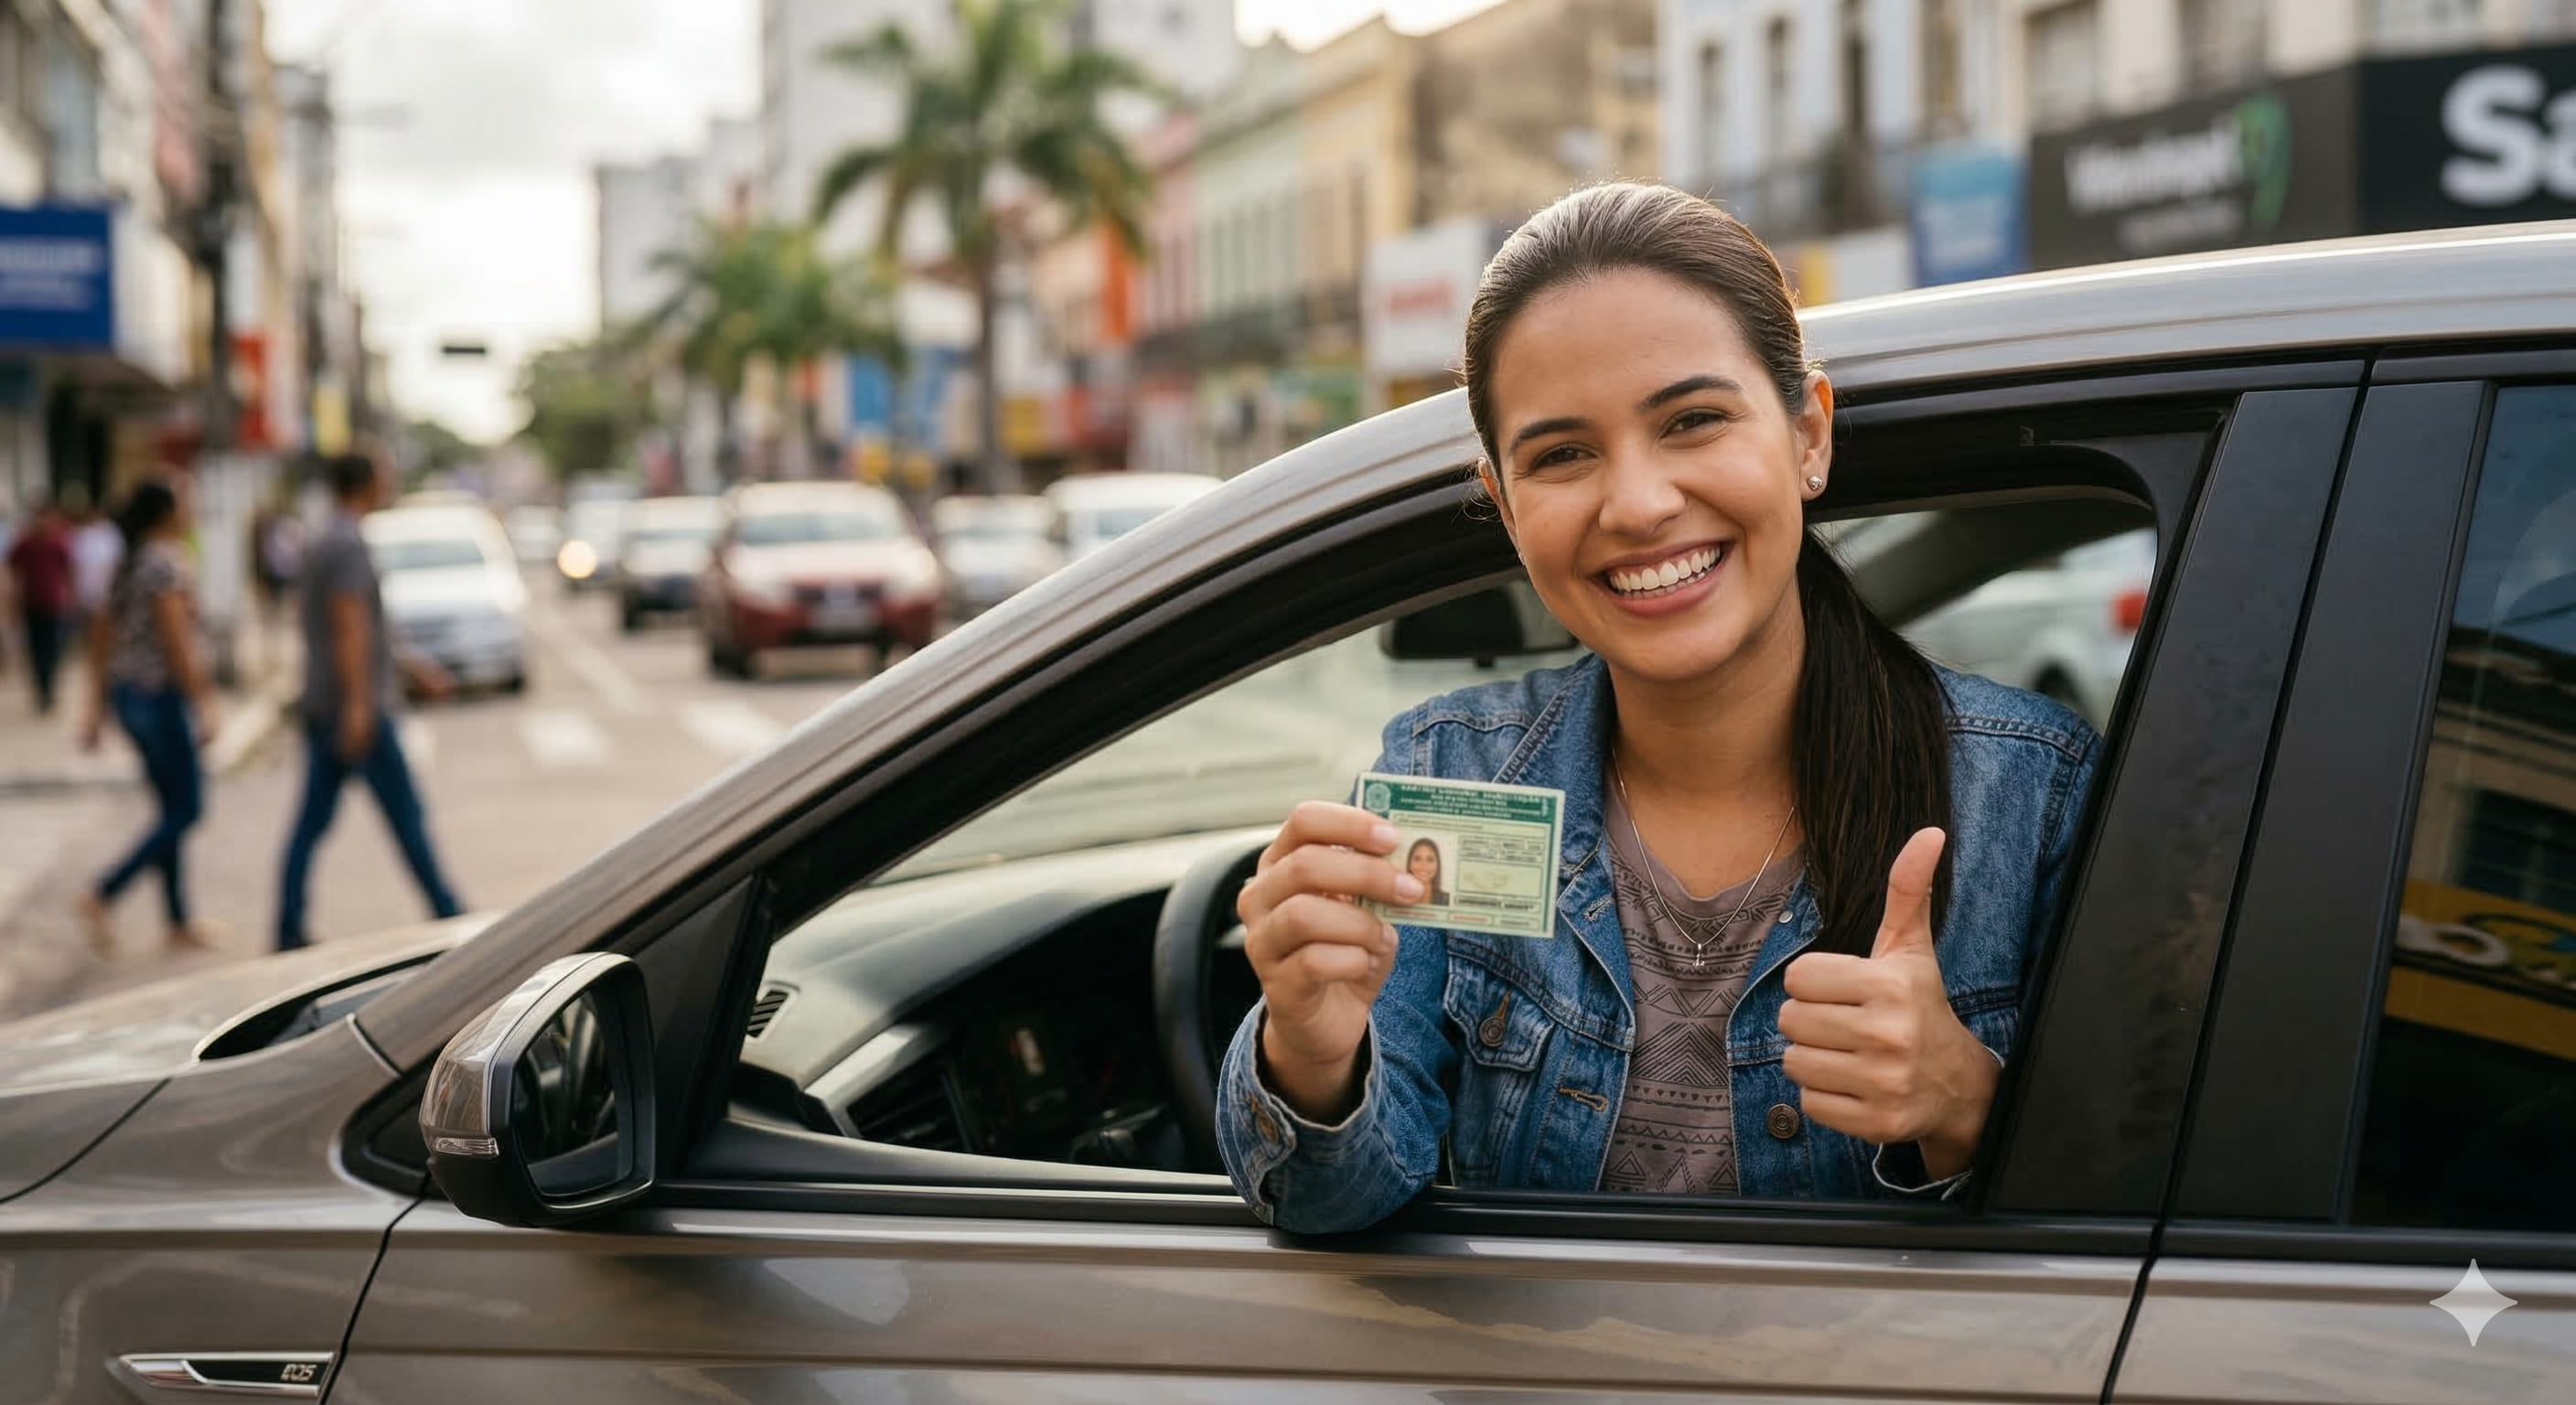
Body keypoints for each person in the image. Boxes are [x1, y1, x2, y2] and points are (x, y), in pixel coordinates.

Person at [1217, 183, 2100, 1233]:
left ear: (1807, 433)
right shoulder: (1456, 769)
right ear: (1504, 507)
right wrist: (1309, 1054)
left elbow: (2170, 1242)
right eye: (1560, 455)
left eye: (1691, 421)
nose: (1635, 505)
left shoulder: (2030, 793)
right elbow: (1332, 1202)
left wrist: (1966, 1108)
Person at [276, 452, 463, 951]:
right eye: (385, 474)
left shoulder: (327, 539)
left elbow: (366, 629)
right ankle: (449, 913)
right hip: (353, 710)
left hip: (330, 704)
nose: (391, 480)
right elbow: (349, 628)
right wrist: (360, 708)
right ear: (367, 482)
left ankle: (287, 924)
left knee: (313, 823)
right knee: (406, 818)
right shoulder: (346, 544)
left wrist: (413, 669)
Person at [73, 480, 221, 956]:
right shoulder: (164, 561)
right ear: (165, 512)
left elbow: (101, 636)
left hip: (127, 696)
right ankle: (103, 892)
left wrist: (96, 704)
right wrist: (204, 702)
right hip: (158, 698)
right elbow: (177, 640)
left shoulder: (128, 562)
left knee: (171, 809)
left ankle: (177, 921)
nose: (191, 505)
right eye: (184, 499)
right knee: (188, 808)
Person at [4, 498, 73, 713]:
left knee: (52, 649)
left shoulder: (58, 542)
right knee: (35, 650)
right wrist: (12, 602)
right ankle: (41, 691)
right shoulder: (24, 543)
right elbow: (13, 571)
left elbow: (69, 571)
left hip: (52, 603)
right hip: (31, 603)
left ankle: (49, 690)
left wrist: (70, 597)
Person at [1401, 838, 1451, 907]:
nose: (1423, 865)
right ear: (1409, 864)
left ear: (1437, 865)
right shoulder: (1400, 897)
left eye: (1430, 860)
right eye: (1418, 859)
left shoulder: (1447, 900)